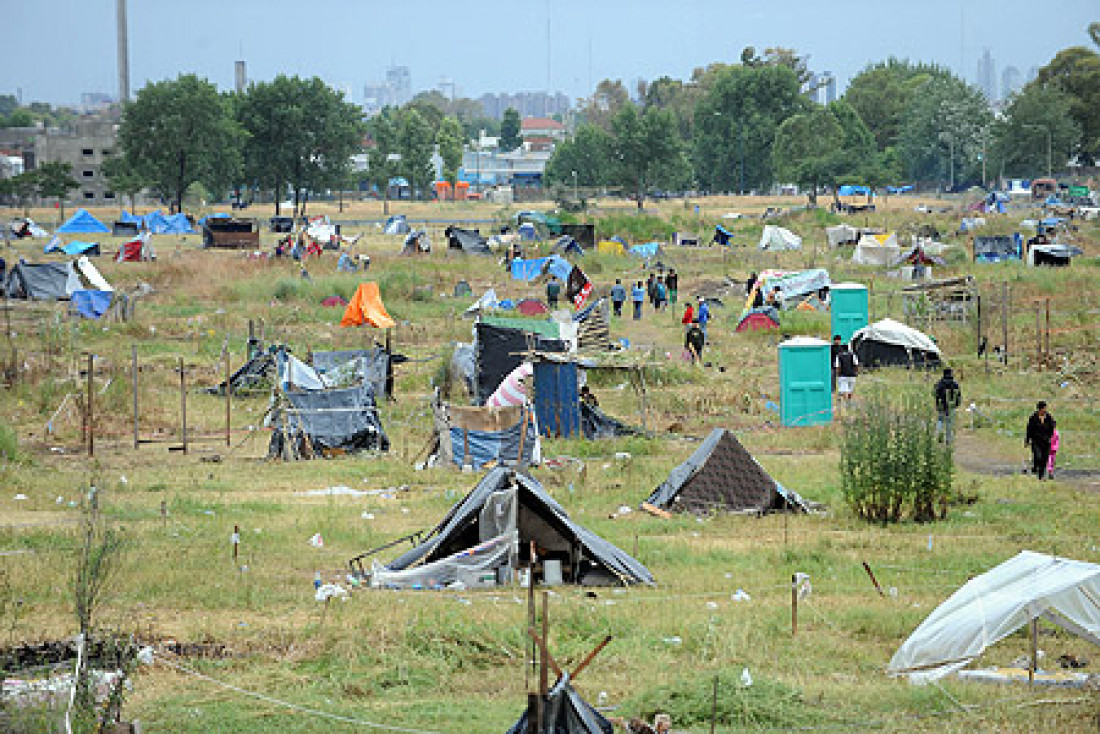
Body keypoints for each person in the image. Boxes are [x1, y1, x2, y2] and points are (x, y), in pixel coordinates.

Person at [1025, 401, 1056, 480]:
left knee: (1044, 458)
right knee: (1037, 456)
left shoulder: (1048, 417)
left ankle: (1041, 475)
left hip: (1046, 441)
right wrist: (1027, 440)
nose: (1045, 410)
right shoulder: (1033, 417)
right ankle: (1035, 467)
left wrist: (1050, 437)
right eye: (1044, 408)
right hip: (1036, 441)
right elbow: (1029, 429)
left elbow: (1052, 426)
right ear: (1040, 409)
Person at [934, 367, 961, 444]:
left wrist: (937, 404)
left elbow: (935, 395)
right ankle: (948, 439)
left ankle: (939, 436)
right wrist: (956, 404)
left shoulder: (939, 383)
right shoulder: (955, 384)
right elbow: (958, 395)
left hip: (941, 405)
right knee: (949, 423)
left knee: (940, 421)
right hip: (951, 406)